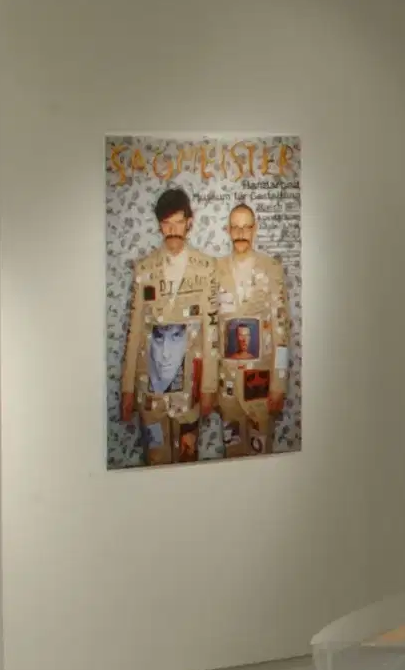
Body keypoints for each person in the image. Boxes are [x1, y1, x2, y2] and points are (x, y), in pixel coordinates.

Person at [117, 187, 221, 465]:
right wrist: (127, 388)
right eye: (166, 223)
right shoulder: (144, 269)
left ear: (190, 221)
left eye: (178, 222)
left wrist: (210, 386)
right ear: (159, 225)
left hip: (190, 387)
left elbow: (211, 332)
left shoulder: (206, 267)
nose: (172, 230)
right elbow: (134, 331)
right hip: (151, 389)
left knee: (188, 459)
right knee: (155, 460)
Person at [209, 202, 293, 459]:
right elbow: (211, 331)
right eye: (236, 227)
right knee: (232, 456)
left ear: (255, 229)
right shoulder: (215, 269)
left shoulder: (271, 268)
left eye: (246, 227)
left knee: (262, 458)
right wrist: (210, 386)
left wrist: (279, 384)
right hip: (229, 388)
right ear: (228, 230)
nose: (241, 233)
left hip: (261, 386)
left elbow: (281, 331)